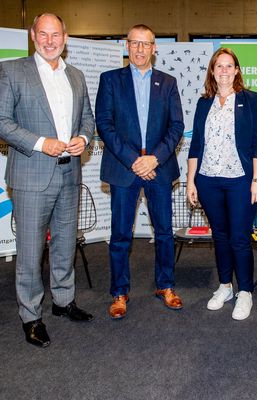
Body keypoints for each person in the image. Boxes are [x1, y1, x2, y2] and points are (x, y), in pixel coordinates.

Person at [0, 13, 95, 348]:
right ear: (33, 35)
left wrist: (83, 139)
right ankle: (31, 316)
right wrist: (39, 142)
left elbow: (87, 119)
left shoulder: (75, 75)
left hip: (69, 173)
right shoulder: (12, 71)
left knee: (65, 244)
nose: (50, 41)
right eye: (43, 34)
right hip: (32, 174)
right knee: (31, 251)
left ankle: (63, 301)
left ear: (65, 37)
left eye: (56, 34)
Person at [95, 24, 184, 319]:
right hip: (124, 167)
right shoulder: (110, 80)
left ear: (154, 48)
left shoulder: (168, 82)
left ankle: (166, 286)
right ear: (127, 45)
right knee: (120, 234)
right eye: (135, 43)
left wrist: (154, 159)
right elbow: (104, 125)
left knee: (164, 232)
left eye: (146, 44)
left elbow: (176, 126)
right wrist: (135, 160)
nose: (140, 49)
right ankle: (119, 292)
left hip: (159, 167)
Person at [186, 48, 257, 321]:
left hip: (240, 180)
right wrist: (191, 181)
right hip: (208, 180)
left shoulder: (250, 99)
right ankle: (225, 286)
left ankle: (245, 291)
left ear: (236, 70)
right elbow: (196, 145)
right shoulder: (203, 103)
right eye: (218, 66)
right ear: (212, 70)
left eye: (229, 65)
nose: (223, 70)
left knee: (239, 238)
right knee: (219, 236)